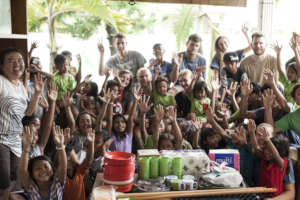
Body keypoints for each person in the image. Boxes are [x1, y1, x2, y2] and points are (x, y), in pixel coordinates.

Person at [0, 48, 44, 200]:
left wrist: (37, 93)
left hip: (16, 141)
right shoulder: (1, 82)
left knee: (12, 182)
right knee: (4, 182)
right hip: (1, 140)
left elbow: (28, 113)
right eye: (11, 60)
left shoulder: (19, 86)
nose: (17, 63)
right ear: (1, 66)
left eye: (19, 60)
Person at [19, 125, 67, 200]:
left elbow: (63, 166)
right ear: (32, 174)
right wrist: (26, 147)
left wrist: (60, 146)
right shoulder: (30, 187)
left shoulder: (57, 183)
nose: (42, 170)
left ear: (53, 169)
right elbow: (23, 170)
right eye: (37, 168)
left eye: (46, 166)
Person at [63, 128, 94, 200]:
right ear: (68, 158)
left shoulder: (78, 171)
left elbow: (89, 159)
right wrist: (63, 144)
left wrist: (91, 143)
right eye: (75, 154)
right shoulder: (60, 176)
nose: (77, 156)